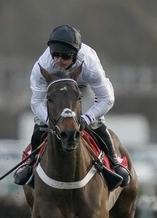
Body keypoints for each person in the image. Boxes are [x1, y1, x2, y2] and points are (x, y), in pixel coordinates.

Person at [13, 24, 131, 187]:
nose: (59, 60)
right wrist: (51, 121)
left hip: (84, 90)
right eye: (55, 55)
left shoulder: (90, 64)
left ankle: (115, 162)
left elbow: (107, 98)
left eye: (65, 56)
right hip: (57, 92)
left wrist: (86, 118)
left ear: (75, 54)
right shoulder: (42, 66)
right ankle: (30, 162)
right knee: (40, 122)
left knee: (96, 122)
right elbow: (36, 102)